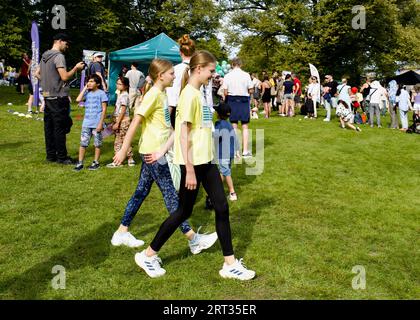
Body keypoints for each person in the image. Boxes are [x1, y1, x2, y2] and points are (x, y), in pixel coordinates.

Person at [134, 51, 255, 280]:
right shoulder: (189, 95)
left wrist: (166, 150)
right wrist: (189, 169)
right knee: (182, 212)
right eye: (211, 71)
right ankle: (148, 254)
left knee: (221, 206)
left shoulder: (197, 93)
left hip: (206, 161)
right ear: (199, 69)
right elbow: (183, 133)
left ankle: (229, 263)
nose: (213, 75)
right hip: (193, 164)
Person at [110, 58, 218, 253]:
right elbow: (135, 122)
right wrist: (124, 149)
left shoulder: (162, 94)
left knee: (141, 192)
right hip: (153, 153)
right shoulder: (153, 95)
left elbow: (168, 127)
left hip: (155, 151)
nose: (174, 76)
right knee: (171, 197)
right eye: (171, 74)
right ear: (160, 76)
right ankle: (192, 238)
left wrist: (168, 145)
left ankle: (121, 231)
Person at [36, 33, 85, 164]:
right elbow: (64, 77)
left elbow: (37, 74)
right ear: (59, 41)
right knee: (60, 127)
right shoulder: (59, 56)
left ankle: (51, 156)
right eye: (66, 43)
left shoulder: (45, 55)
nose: (67, 46)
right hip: (58, 97)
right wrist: (76, 68)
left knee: (49, 127)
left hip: (47, 96)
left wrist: (49, 82)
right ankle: (62, 157)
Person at [74, 74, 108, 171]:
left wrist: (100, 123)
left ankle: (95, 162)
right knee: (83, 143)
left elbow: (104, 109)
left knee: (97, 144)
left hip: (97, 123)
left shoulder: (101, 93)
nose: (89, 83)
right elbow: (78, 99)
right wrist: (85, 88)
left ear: (97, 84)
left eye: (92, 81)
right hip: (86, 123)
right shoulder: (87, 93)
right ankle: (80, 163)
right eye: (88, 81)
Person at [222, 57, 254, 158]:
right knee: (245, 126)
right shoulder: (246, 75)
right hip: (244, 100)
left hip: (231, 99)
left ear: (232, 64)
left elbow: (225, 92)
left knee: (234, 126)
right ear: (241, 64)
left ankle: (236, 151)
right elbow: (251, 89)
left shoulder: (227, 75)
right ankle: (245, 151)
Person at [106, 76, 135, 168]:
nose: (117, 85)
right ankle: (129, 159)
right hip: (119, 120)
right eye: (117, 83)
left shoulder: (124, 95)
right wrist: (112, 117)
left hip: (123, 121)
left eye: (120, 84)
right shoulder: (120, 94)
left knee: (119, 141)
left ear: (125, 86)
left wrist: (118, 123)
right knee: (123, 140)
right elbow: (117, 108)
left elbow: (122, 110)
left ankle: (119, 161)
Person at [214, 102, 237, 201]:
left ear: (218, 114)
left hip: (223, 153)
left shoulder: (219, 124)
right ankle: (215, 190)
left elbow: (216, 136)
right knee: (224, 171)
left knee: (226, 172)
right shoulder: (229, 124)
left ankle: (232, 192)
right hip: (230, 152)